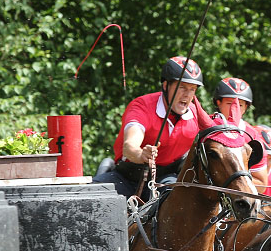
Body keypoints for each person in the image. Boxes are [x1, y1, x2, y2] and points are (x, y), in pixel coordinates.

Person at [93, 55, 216, 199]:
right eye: (182, 87)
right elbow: (129, 146)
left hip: (166, 179)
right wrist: (141, 155)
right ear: (165, 86)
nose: (187, 95)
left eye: (192, 89)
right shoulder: (142, 106)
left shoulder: (196, 114)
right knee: (89, 196)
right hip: (127, 178)